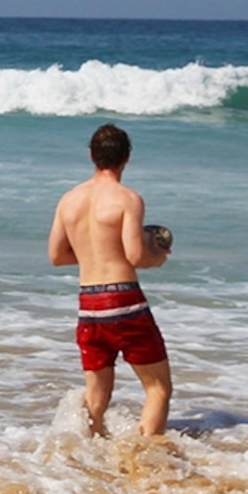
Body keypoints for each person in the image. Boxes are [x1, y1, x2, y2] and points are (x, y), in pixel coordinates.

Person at [50, 123, 174, 438]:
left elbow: (57, 255)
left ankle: (89, 457)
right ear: (127, 158)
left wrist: (93, 253)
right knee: (158, 388)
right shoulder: (127, 199)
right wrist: (157, 257)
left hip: (89, 306)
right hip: (124, 301)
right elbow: (135, 256)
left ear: (91, 156)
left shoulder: (69, 200)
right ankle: (146, 457)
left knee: (96, 397)